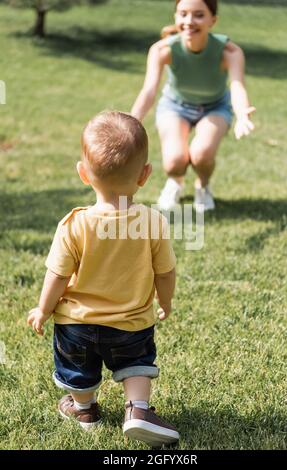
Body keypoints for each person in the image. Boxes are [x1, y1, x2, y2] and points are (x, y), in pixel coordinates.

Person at [27, 111, 179, 448]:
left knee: (79, 371)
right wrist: (165, 302)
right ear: (145, 175)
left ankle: (84, 410)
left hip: (77, 325)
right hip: (133, 323)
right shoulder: (153, 222)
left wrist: (43, 308)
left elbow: (57, 274)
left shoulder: (74, 224)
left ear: (83, 173)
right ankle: (137, 408)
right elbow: (165, 272)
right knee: (137, 364)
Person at [131, 0, 255, 212]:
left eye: (198, 15)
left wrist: (242, 114)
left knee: (202, 154)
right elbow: (149, 90)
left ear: (212, 20)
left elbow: (236, 86)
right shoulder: (162, 50)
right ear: (175, 17)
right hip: (175, 106)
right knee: (174, 161)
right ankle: (175, 182)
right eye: (183, 14)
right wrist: (132, 121)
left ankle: (203, 186)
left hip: (215, 107)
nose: (189, 21)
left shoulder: (230, 52)